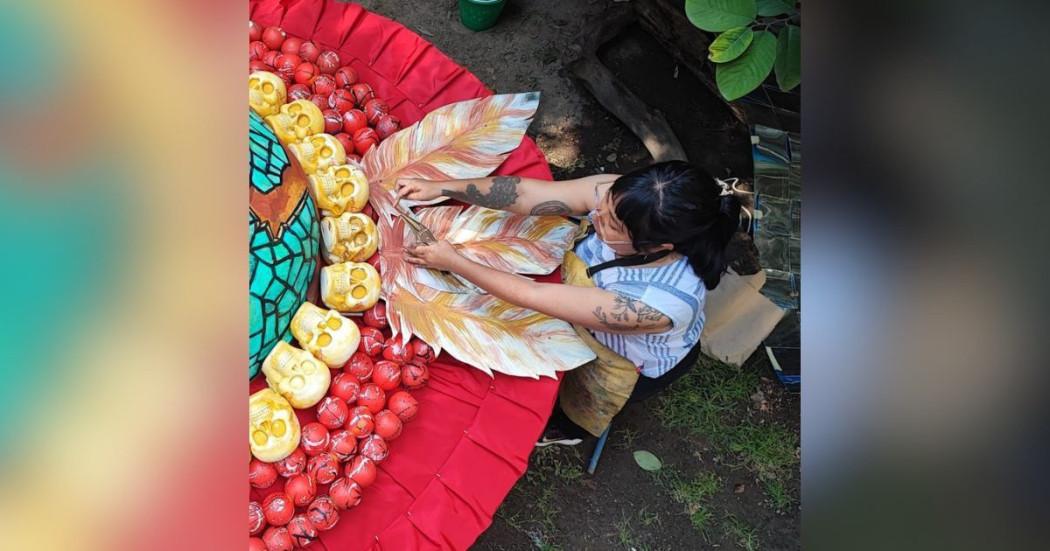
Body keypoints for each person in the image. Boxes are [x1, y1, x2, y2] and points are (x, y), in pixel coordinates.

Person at [396, 160, 742, 445]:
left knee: (580, 402)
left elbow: (534, 295)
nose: (596, 217)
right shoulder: (629, 200)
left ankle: (564, 432)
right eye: (602, 208)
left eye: (610, 225)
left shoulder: (656, 305)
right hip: (586, 297)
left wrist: (454, 261)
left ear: (657, 248)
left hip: (623, 355)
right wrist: (443, 187)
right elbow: (528, 194)